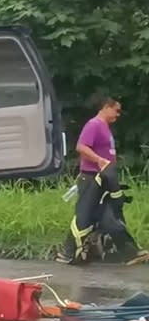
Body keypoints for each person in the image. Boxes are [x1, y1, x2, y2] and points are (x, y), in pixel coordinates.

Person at [56, 97, 149, 265]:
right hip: (92, 178)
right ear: (106, 107)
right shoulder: (94, 125)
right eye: (116, 110)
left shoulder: (104, 127)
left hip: (104, 179)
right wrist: (99, 160)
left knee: (102, 216)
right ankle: (69, 252)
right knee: (85, 216)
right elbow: (81, 147)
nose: (118, 115)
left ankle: (129, 251)